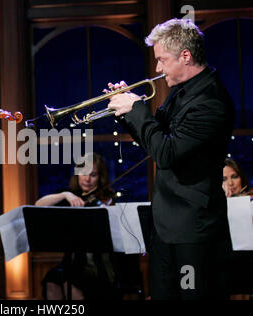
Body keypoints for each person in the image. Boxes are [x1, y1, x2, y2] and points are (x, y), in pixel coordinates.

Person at [107, 18, 235, 299]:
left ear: (185, 56)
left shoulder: (210, 101)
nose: (157, 68)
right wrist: (126, 112)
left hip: (193, 232)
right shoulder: (181, 93)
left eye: (162, 60)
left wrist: (138, 109)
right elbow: (154, 141)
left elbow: (166, 154)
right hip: (166, 228)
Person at [36, 152, 143, 300]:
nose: (87, 179)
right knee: (52, 280)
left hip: (100, 265)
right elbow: (38, 205)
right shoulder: (73, 198)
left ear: (100, 177)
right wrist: (65, 195)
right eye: (83, 173)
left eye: (93, 174)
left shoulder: (108, 199)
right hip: (73, 263)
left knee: (71, 282)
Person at [221, 158, 253, 300]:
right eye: (224, 179)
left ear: (242, 177)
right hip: (225, 259)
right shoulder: (215, 205)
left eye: (234, 176)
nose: (230, 183)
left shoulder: (250, 200)